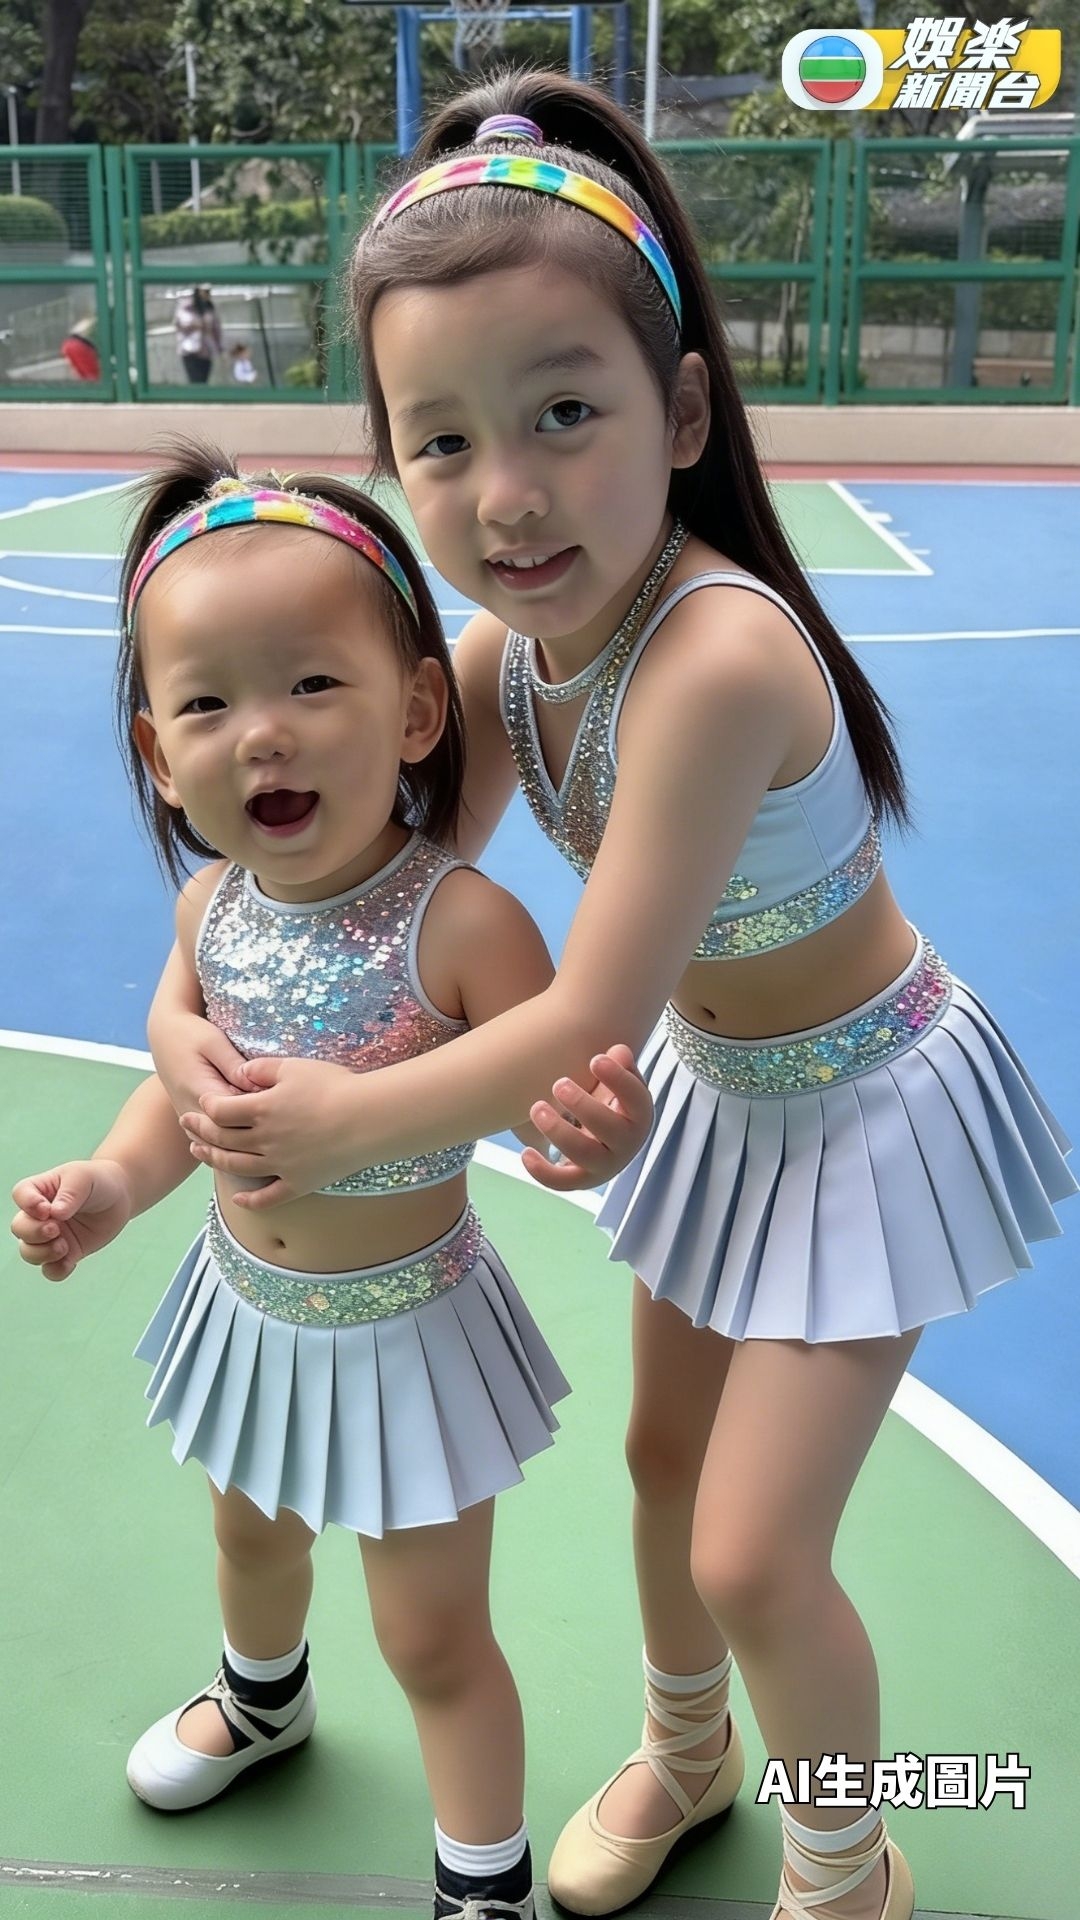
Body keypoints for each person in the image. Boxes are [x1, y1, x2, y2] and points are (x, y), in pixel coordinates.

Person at [144, 77, 1076, 1920]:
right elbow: (373, 904)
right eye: (441, 441)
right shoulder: (503, 656)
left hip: (865, 1113)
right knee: (662, 1464)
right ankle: (690, 1749)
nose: (506, 492)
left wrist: (354, 1116)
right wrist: (188, 1025)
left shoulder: (713, 658)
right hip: (714, 1095)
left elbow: (581, 1005)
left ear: (686, 414)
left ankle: (848, 1856)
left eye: (564, 413)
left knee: (753, 1554)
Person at [10, 447, 652, 1920]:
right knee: (250, 1538)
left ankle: (481, 1880)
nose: (264, 737)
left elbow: (554, 1084)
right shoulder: (209, 907)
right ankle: (263, 1698)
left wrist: (593, 1135)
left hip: (409, 1335)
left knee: (431, 1636)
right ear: (158, 752)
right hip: (248, 1313)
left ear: (417, 709)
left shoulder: (465, 923)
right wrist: (113, 1182)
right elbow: (188, 1098)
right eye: (208, 705)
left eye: (312, 684)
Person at [174, 286, 223, 384]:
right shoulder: (187, 306)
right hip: (190, 349)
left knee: (203, 379)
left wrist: (219, 346)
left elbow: (216, 328)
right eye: (203, 291)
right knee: (195, 380)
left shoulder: (209, 308)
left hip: (206, 350)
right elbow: (180, 324)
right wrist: (196, 325)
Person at [60, 314, 100, 383]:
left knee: (84, 374)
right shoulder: (92, 322)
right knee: (91, 376)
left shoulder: (89, 321)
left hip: (72, 343)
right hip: (81, 345)